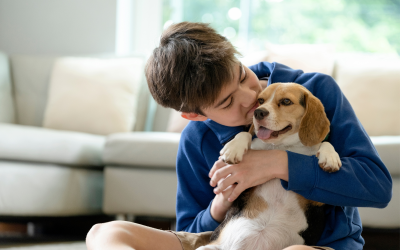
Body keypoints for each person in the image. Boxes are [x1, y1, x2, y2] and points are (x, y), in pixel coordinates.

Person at [86, 22, 392, 250]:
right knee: (103, 233)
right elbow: (190, 230)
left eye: (242, 76)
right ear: (196, 115)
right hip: (222, 241)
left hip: (311, 244)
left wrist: (276, 163)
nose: (250, 99)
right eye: (226, 103)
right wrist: (220, 203)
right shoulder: (196, 138)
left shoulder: (314, 91)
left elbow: (377, 187)